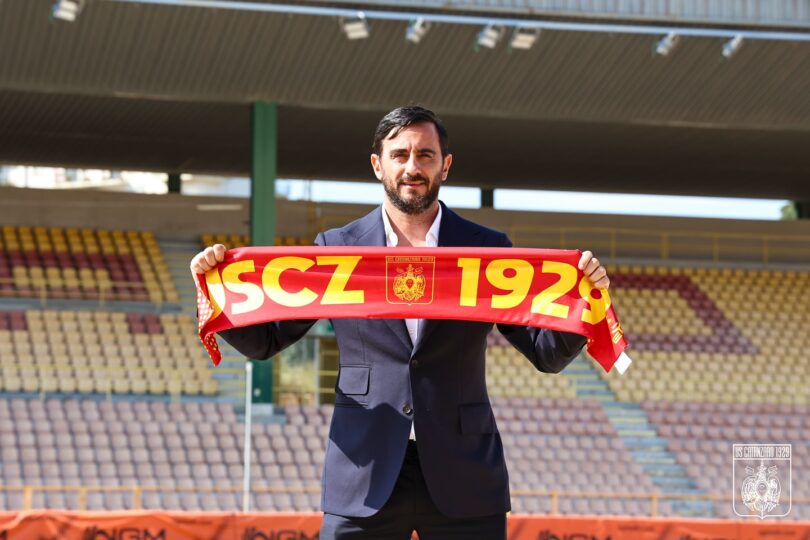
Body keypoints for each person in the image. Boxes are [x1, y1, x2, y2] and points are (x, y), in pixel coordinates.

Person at [190, 106, 610, 539]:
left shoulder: (488, 250)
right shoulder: (336, 250)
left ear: (445, 165)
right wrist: (215, 291)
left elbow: (545, 354)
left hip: (464, 477)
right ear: (378, 165)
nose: (413, 167)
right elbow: (266, 342)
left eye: (426, 155)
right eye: (400, 155)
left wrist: (586, 298)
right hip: (363, 473)